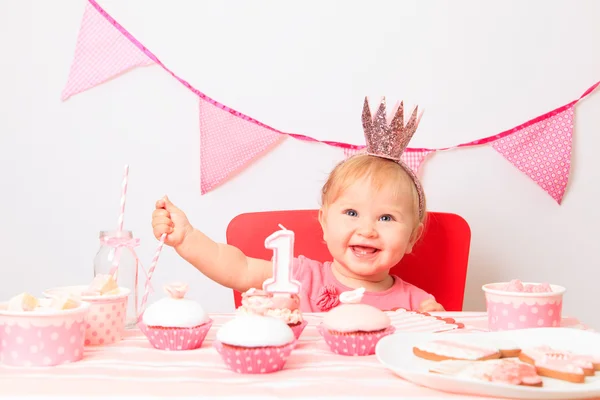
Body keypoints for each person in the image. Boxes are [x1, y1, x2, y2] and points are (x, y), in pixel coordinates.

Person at [151, 97, 445, 312]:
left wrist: (435, 325)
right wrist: (187, 238)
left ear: (412, 237)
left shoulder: (418, 305)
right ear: (324, 223)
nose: (367, 230)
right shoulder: (301, 277)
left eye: (386, 218)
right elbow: (236, 268)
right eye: (352, 213)